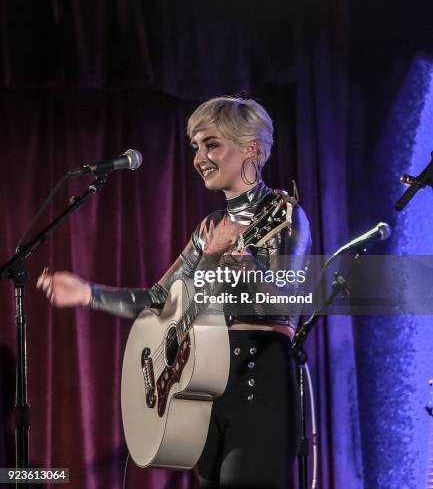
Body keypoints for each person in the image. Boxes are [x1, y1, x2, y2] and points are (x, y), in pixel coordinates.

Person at [37, 96, 311, 488]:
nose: (199, 157)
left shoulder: (283, 213)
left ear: (251, 148)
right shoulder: (209, 227)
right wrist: (89, 294)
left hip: (258, 380)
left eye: (211, 144)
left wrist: (248, 266)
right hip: (201, 385)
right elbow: (160, 301)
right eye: (195, 147)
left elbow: (289, 300)